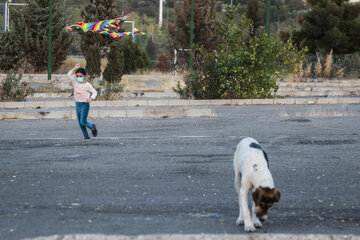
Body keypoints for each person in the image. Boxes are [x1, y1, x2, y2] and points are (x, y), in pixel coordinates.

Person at [67, 64, 98, 139]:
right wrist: (75, 68)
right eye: (77, 76)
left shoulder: (87, 85)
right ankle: (86, 137)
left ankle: (92, 126)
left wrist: (91, 98)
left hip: (85, 105)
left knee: (83, 121)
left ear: (85, 76)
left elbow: (95, 92)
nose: (78, 78)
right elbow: (69, 74)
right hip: (77, 104)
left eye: (80, 76)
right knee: (80, 123)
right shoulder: (75, 82)